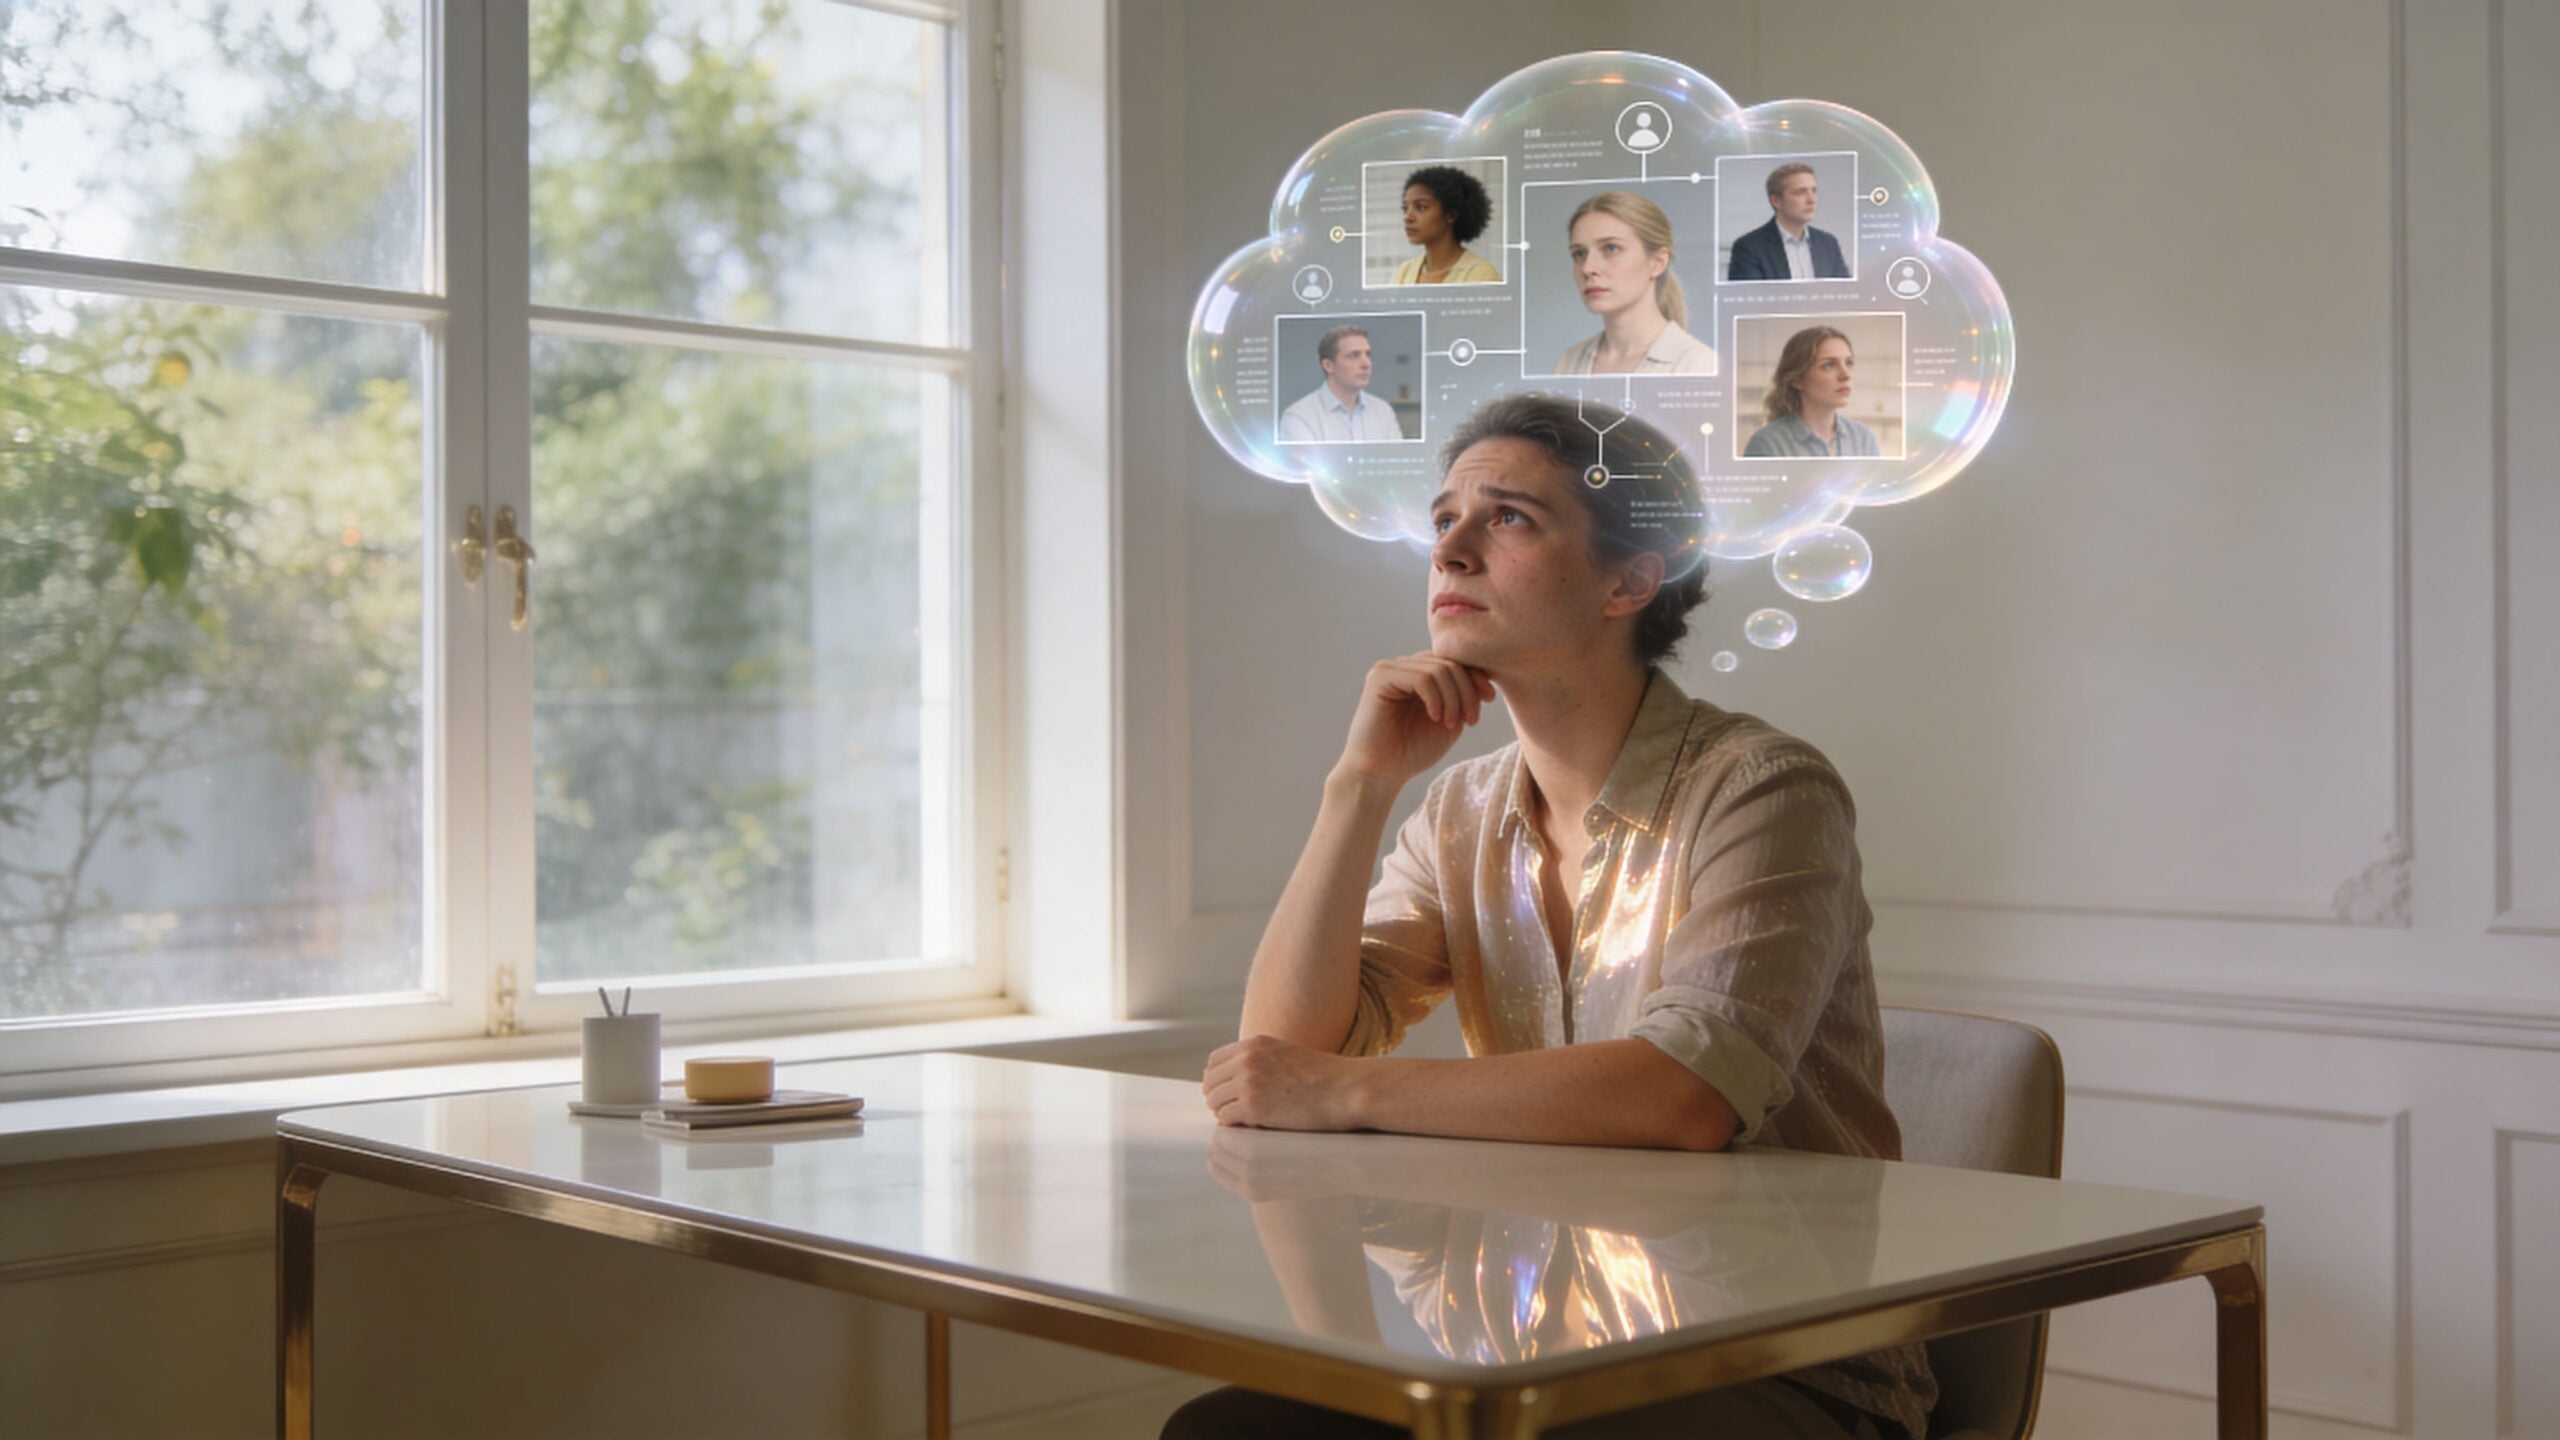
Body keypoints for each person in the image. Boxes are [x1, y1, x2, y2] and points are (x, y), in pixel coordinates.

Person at [1168, 393, 1934, 1440]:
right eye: (1444, 519)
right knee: (1233, 1430)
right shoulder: (1459, 807)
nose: (1452, 548)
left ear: (1629, 579)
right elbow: (1281, 1061)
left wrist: (1339, 1089)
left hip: (1772, 1363)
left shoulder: (1765, 788)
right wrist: (1357, 786)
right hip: (1536, 1357)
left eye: (1509, 518)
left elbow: (1682, 1098)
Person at [1551, 191, 1717, 375]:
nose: (1588, 268)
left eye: (1611, 248)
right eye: (1579, 254)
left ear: (1657, 263)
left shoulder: (1698, 364)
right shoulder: (1569, 361)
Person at [1744, 325, 1880, 458]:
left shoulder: (1863, 438)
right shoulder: (1767, 444)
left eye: (1848, 363)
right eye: (1829, 365)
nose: (1846, 375)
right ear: (1797, 380)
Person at [1278, 324, 1408, 443]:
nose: (1366, 364)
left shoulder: (1383, 411)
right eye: (1354, 355)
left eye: (1367, 354)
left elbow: (1397, 465)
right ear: (1329, 366)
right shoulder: (1299, 416)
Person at [1727, 162, 1850, 282]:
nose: (1811, 199)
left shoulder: (1828, 244)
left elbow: (1846, 294)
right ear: (1776, 201)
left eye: (1814, 191)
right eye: (1800, 192)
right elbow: (1748, 300)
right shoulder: (1749, 248)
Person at [1390, 165, 1502, 285]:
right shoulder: (1405, 272)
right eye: (1405, 208)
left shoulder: (1481, 275)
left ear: (1450, 215)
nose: (1408, 217)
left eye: (1421, 207)